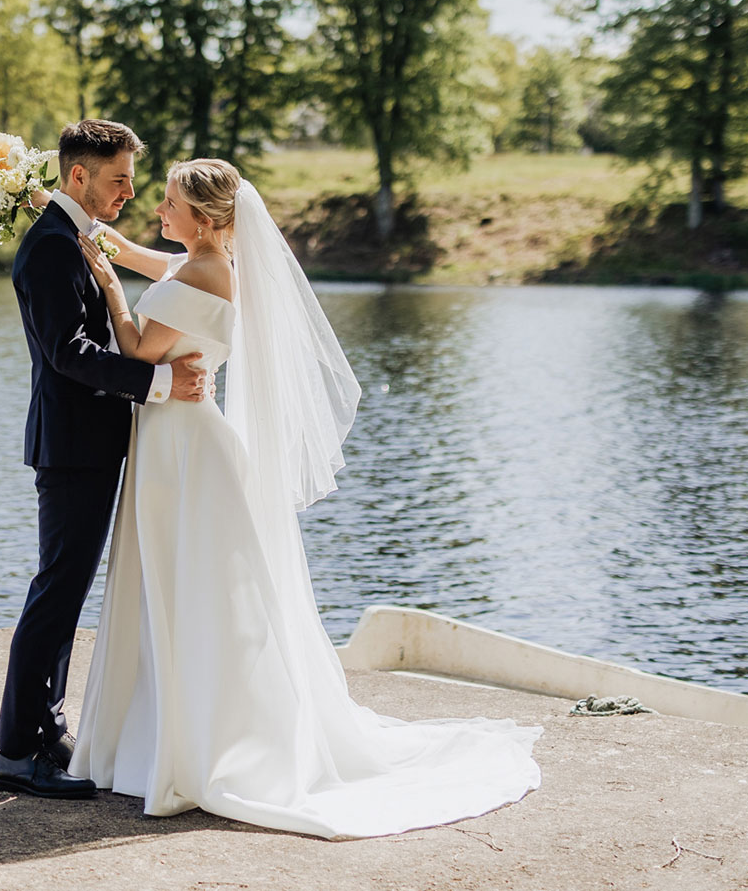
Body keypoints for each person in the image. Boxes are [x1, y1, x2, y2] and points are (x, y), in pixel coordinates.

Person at [67, 157, 543, 839]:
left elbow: (140, 351)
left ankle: (199, 739)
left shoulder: (201, 274)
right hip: (183, 443)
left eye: (168, 204)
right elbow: (155, 263)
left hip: (184, 452)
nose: (157, 212)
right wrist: (88, 230)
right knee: (185, 587)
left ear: (202, 221)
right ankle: (170, 729)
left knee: (189, 588)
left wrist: (109, 286)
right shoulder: (206, 265)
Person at [0, 119, 210, 799]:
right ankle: (18, 752)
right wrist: (158, 384)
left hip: (89, 443)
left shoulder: (73, 236)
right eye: (117, 180)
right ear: (78, 175)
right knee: (57, 590)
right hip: (72, 446)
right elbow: (68, 354)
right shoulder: (51, 248)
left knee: (68, 590)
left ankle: (48, 730)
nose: (126, 193)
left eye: (132, 182)